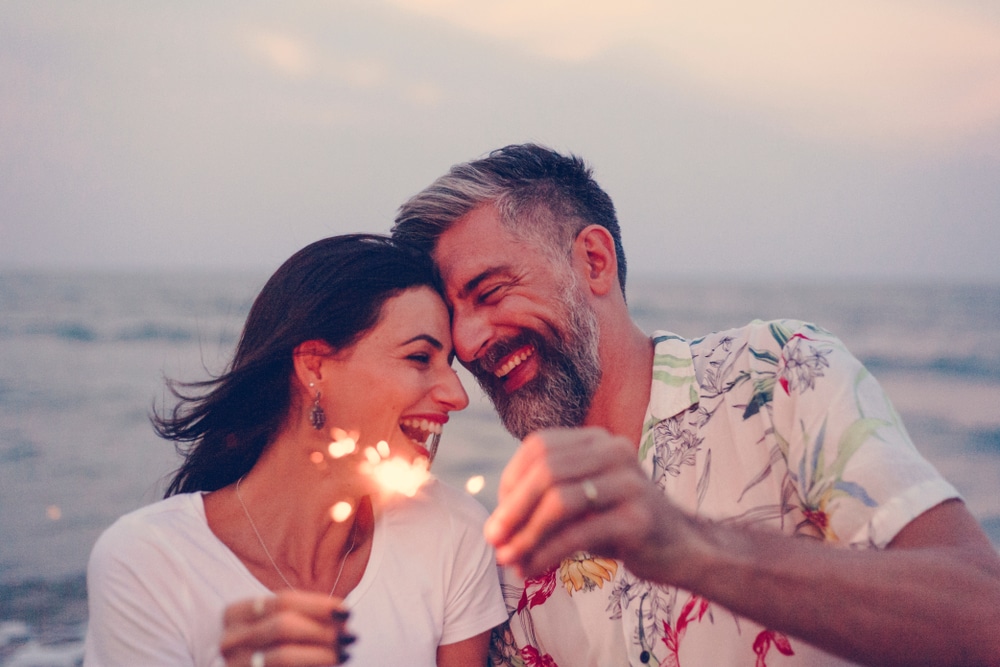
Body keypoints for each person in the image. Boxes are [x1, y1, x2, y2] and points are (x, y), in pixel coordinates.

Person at [391, 144, 1000, 666]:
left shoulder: (778, 377)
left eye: (492, 292)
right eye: (453, 319)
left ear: (594, 262)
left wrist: (688, 546)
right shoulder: (520, 553)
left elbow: (984, 617)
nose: (468, 345)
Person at [84, 234, 508, 666]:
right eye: (420, 358)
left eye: (450, 366)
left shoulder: (452, 532)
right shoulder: (148, 561)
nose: (457, 395)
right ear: (314, 367)